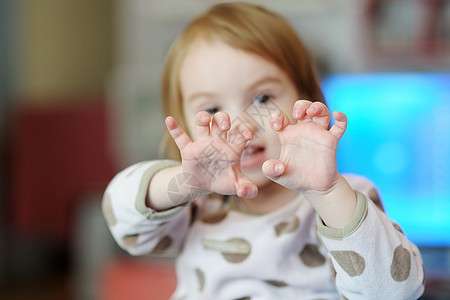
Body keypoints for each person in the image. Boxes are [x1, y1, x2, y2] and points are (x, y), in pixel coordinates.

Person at [102, 3, 425, 299]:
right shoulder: (197, 204)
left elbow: (396, 292)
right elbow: (122, 221)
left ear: (307, 98)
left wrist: (327, 192)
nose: (242, 124)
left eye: (262, 99)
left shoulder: (344, 199)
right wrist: (185, 181)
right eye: (212, 109)